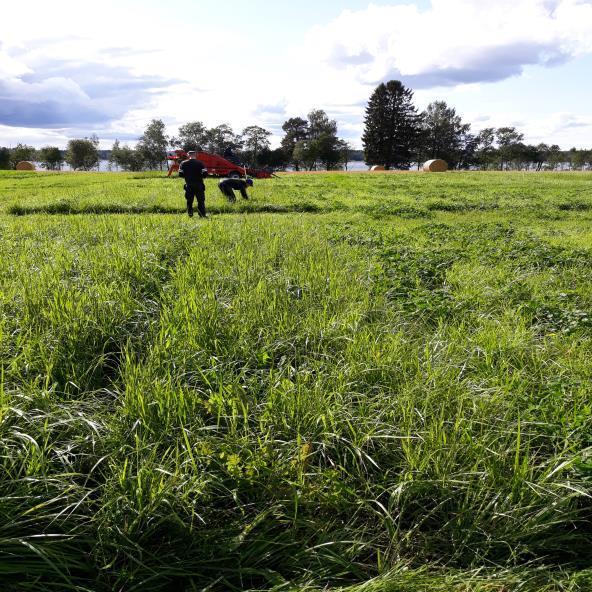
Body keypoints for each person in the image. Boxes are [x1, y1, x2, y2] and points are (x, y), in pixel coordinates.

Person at [179, 151, 208, 217]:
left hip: (189, 185)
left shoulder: (183, 163)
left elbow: (180, 174)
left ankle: (190, 214)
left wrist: (187, 176)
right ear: (196, 155)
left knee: (189, 200)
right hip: (199, 185)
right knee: (201, 201)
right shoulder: (200, 163)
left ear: (188, 155)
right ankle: (202, 214)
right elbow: (205, 174)